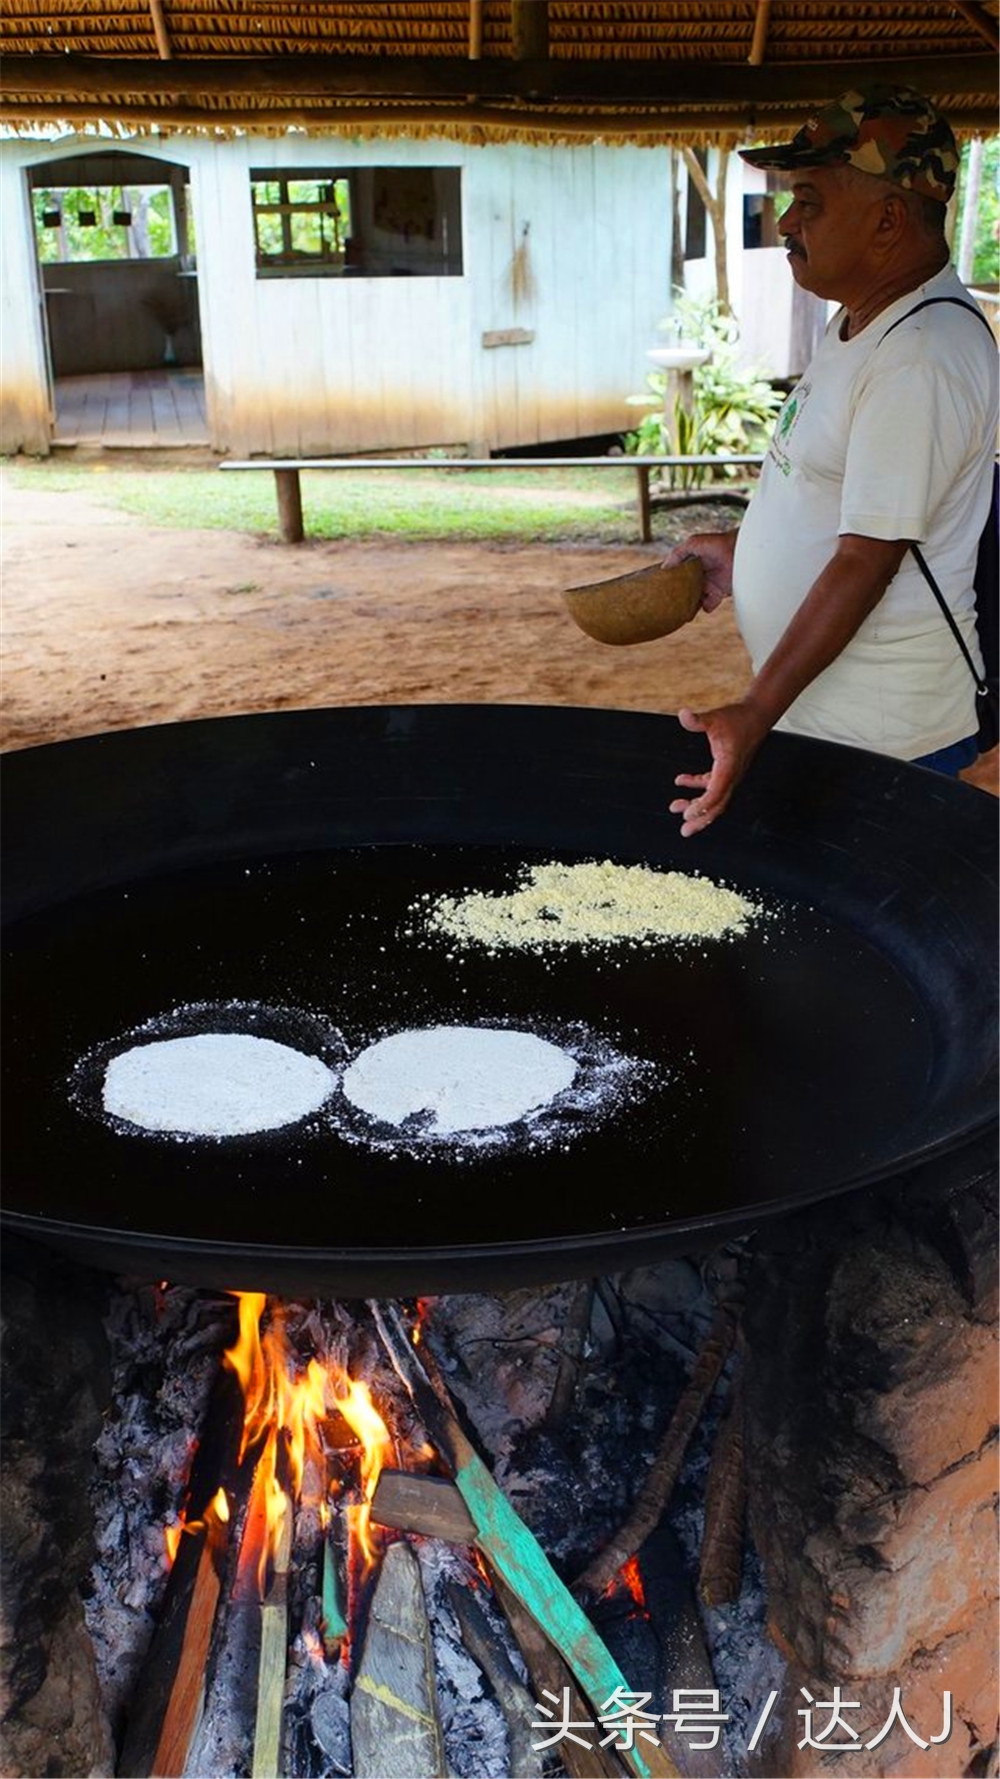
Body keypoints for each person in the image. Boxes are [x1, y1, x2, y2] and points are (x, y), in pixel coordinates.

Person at [664, 85, 999, 837]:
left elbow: (866, 560)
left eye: (808, 201)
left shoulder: (922, 356)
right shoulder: (866, 320)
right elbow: (836, 501)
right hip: (835, 727)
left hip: (889, 746)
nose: (785, 222)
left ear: (888, 219)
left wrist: (753, 711)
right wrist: (746, 554)